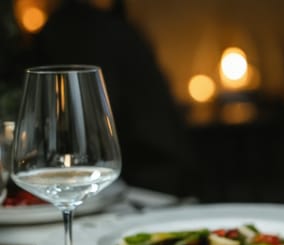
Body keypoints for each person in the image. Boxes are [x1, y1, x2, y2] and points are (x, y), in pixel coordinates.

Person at [26, 0, 194, 197]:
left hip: (146, 172)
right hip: (166, 159)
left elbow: (90, 115)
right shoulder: (113, 26)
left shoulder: (74, 28)